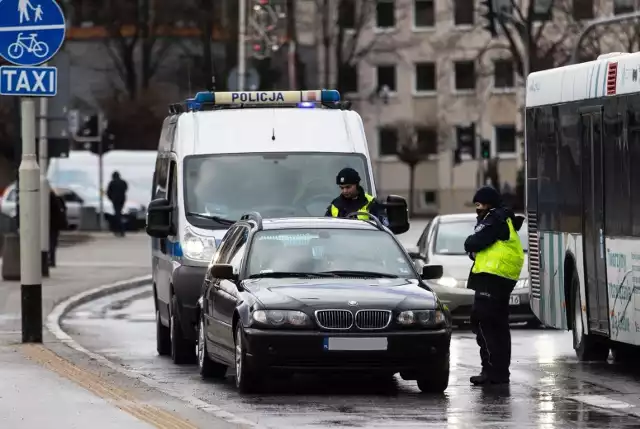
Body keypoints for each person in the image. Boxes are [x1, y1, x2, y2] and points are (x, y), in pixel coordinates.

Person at [464, 185, 525, 386]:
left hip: (492, 276)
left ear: (489, 204)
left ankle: (490, 370)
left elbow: (473, 242)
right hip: (501, 277)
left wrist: (471, 244)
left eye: (480, 204)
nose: (478, 209)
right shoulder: (504, 217)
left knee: (483, 321)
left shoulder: (494, 218)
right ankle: (499, 373)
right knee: (498, 325)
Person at [49, 189, 67, 267]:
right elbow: (63, 209)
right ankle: (51, 260)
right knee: (52, 242)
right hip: (55, 224)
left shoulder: (50, 198)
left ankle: (50, 260)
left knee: (51, 242)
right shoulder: (58, 198)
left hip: (51, 224)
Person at [107, 171, 128, 237]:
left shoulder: (112, 183)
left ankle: (119, 229)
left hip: (115, 200)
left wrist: (111, 198)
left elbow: (108, 192)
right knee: (118, 213)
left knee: (117, 214)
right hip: (122, 199)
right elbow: (125, 189)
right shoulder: (123, 182)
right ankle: (120, 230)